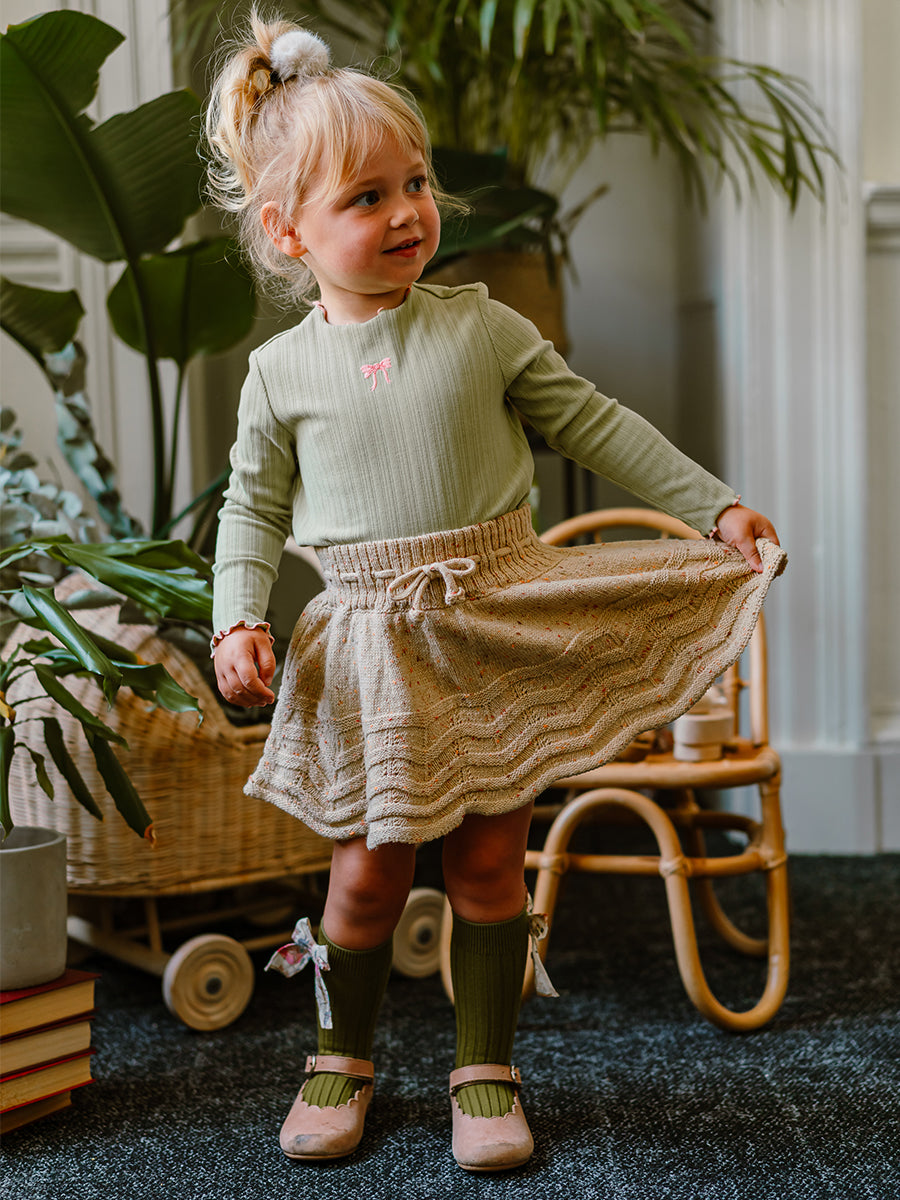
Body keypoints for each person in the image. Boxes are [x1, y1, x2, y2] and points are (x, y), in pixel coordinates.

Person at [205, 11, 784, 1173]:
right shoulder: (278, 374)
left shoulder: (482, 327)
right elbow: (251, 509)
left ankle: (485, 1068)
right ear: (288, 230)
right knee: (366, 876)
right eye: (367, 197)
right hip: (370, 646)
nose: (406, 212)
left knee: (483, 866)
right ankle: (340, 1056)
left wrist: (712, 505)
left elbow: (596, 423)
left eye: (415, 184)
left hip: (493, 621)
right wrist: (238, 616)